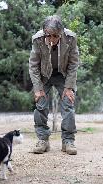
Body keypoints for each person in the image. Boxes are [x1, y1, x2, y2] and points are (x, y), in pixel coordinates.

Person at [29, 15, 79, 155]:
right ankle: (43, 140)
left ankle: (68, 141)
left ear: (61, 33)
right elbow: (33, 66)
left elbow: (73, 64)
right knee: (41, 105)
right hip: (44, 75)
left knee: (68, 104)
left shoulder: (71, 38)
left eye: (55, 36)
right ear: (44, 32)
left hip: (63, 75)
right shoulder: (37, 39)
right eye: (48, 36)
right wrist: (38, 89)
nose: (51, 39)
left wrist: (69, 87)